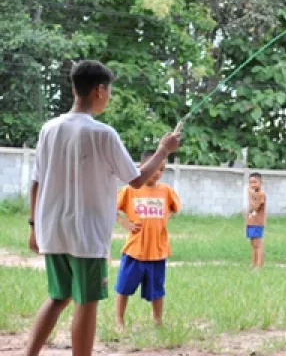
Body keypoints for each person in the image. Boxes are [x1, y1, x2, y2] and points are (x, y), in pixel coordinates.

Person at [26, 60, 181, 356]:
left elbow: (36, 182)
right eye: (108, 91)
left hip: (52, 230)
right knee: (86, 302)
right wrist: (163, 150)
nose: (108, 96)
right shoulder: (103, 134)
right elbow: (136, 180)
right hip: (86, 235)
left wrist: (34, 227)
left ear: (74, 88)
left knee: (58, 297)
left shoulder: (50, 129)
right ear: (99, 90)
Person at [114, 151, 181, 328]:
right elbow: (110, 206)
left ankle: (158, 321)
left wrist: (164, 218)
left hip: (158, 251)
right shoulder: (130, 189)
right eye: (154, 168)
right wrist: (124, 222)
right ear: (142, 168)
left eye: (162, 169)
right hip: (134, 250)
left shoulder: (166, 191)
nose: (157, 172)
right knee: (124, 287)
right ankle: (119, 321)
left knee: (157, 290)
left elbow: (175, 208)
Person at [246, 172, 267, 268]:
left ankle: (259, 265)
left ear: (261, 183)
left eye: (255, 182)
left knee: (258, 244)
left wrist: (250, 196)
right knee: (253, 244)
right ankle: (253, 263)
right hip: (251, 222)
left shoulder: (261, 194)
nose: (252, 185)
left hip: (258, 223)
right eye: (250, 183)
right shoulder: (253, 194)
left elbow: (256, 207)